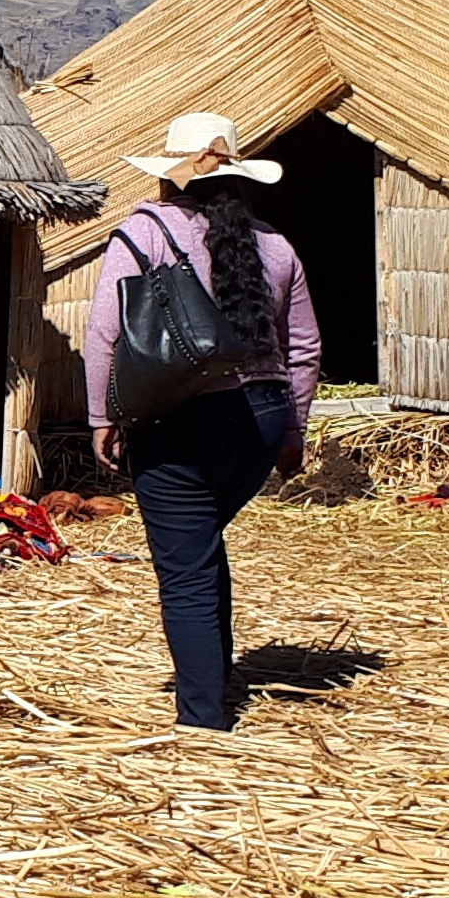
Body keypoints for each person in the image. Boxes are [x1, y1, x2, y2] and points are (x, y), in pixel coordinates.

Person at [84, 111, 319, 730]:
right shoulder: (276, 245)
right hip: (260, 422)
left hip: (177, 418)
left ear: (170, 175)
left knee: (185, 569)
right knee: (202, 547)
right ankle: (215, 676)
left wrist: (100, 416)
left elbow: (107, 333)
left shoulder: (143, 233)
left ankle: (204, 721)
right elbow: (303, 350)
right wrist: (292, 429)